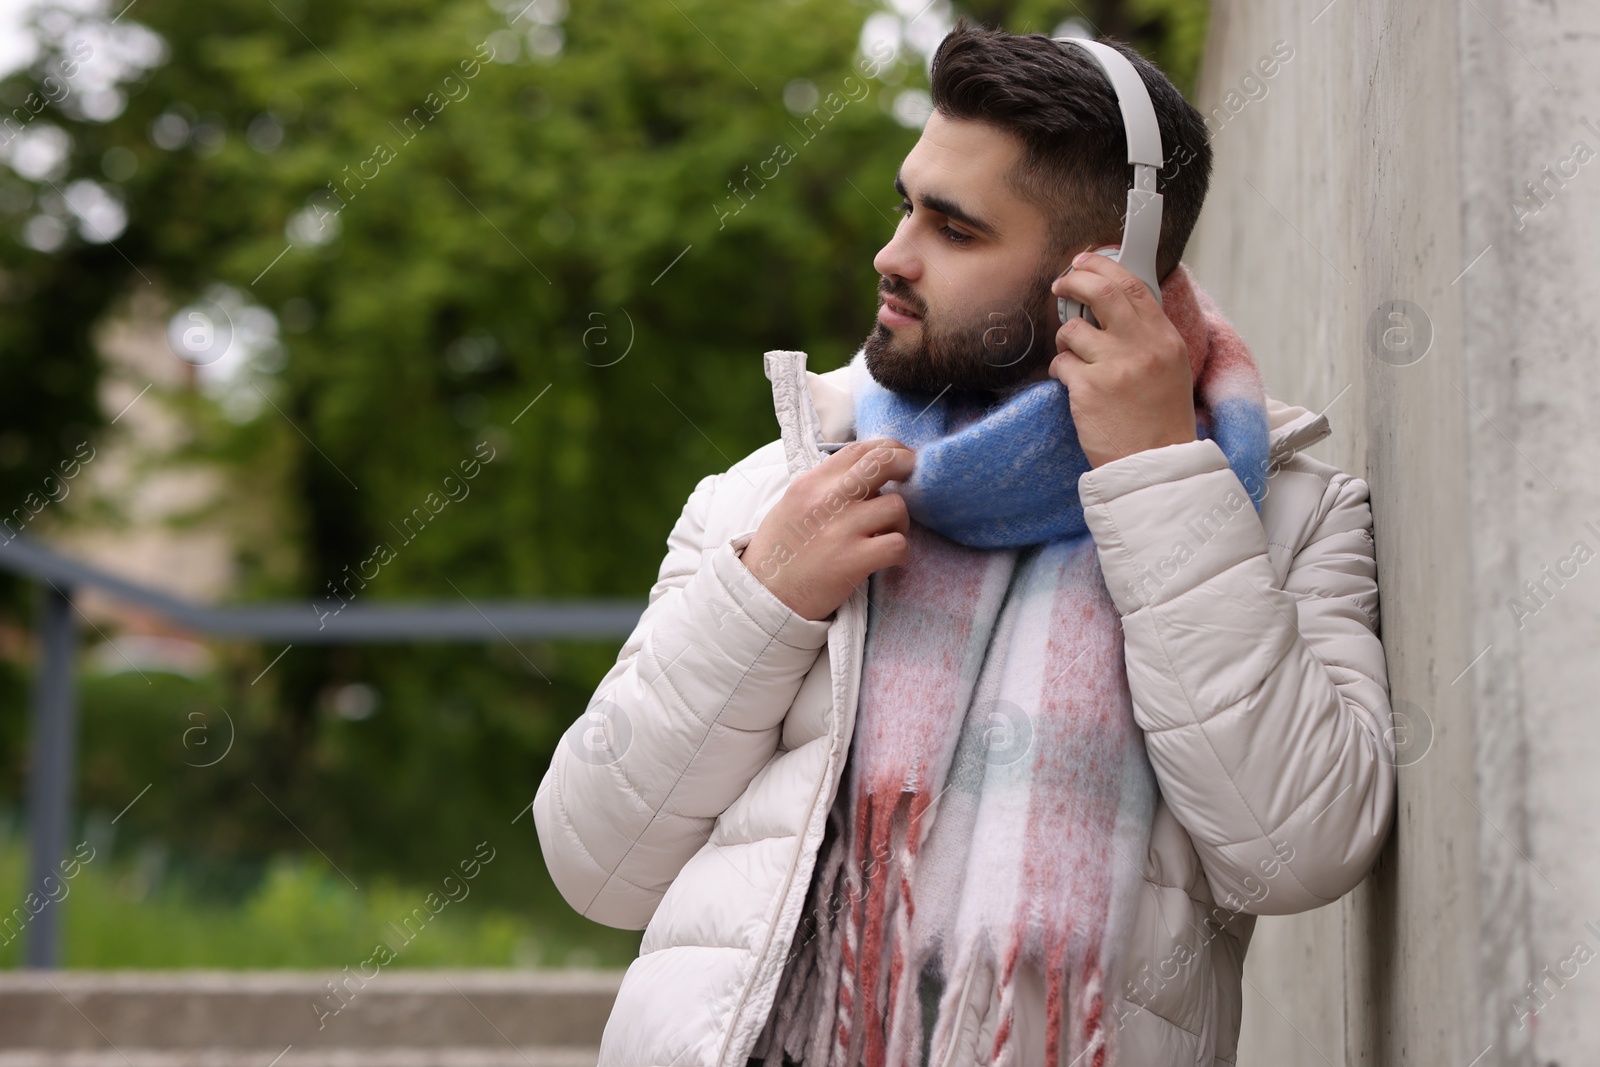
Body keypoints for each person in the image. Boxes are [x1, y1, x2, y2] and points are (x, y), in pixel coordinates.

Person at [534, 21, 1393, 1067]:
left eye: (955, 227)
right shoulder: (775, 493)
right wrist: (761, 600)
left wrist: (1158, 476)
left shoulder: (1276, 512)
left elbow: (1296, 850)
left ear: (1100, 273)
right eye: (907, 204)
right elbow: (596, 860)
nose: (892, 255)